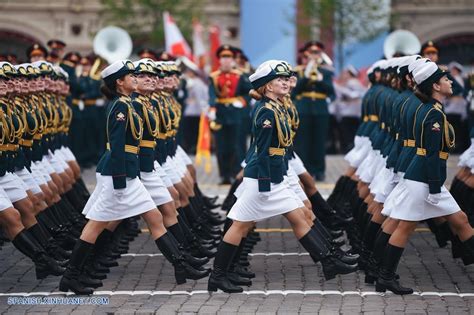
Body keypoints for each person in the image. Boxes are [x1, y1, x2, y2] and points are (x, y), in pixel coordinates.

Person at [59, 60, 207, 295]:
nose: (136, 78)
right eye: (131, 76)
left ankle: (181, 265)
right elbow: (117, 147)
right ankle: (71, 276)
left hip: (129, 171)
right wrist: (120, 180)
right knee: (96, 224)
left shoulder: (128, 104)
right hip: (117, 173)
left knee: (155, 218)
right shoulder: (120, 107)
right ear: (120, 82)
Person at [207, 60, 357, 294]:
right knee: (240, 225)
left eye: (287, 79)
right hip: (262, 177)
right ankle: (218, 276)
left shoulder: (275, 106)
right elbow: (264, 150)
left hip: (271, 174)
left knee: (297, 215)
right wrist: (266, 184)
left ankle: (328, 260)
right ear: (267, 86)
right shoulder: (266, 111)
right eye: (280, 79)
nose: (286, 82)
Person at [376, 60, 474, 295]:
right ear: (435, 86)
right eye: (445, 79)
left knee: (459, 219)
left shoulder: (432, 109)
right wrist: (434, 187)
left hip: (419, 176)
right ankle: (384, 276)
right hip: (423, 179)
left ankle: (382, 275)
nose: (450, 82)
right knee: (406, 226)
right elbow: (431, 154)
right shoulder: (432, 114)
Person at [208, 45, 252, 184]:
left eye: (228, 58)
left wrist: (242, 101)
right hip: (221, 113)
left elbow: (249, 92)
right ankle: (224, 174)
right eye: (223, 57)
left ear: (233, 60)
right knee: (221, 145)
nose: (226, 60)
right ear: (220, 60)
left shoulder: (240, 76)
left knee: (236, 145)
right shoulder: (214, 76)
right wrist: (212, 108)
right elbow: (211, 94)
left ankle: (236, 174)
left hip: (236, 113)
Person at [292, 41, 336, 181]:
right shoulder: (298, 71)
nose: (314, 55)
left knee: (320, 141)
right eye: (312, 52)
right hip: (304, 109)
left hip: (320, 109)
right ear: (307, 54)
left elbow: (331, 92)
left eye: (317, 53)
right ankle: (306, 171)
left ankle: (320, 170)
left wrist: (320, 80)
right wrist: (306, 75)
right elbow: (294, 91)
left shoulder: (326, 72)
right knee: (303, 142)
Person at [334, 65, 367, 153]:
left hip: (350, 113)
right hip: (349, 113)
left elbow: (358, 94)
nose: (343, 75)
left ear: (350, 74)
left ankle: (350, 151)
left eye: (346, 73)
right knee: (349, 135)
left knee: (349, 135)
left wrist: (340, 89)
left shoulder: (352, 82)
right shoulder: (350, 83)